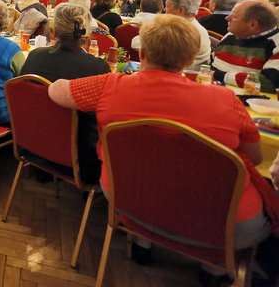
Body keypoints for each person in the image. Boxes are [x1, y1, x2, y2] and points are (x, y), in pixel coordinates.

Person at [48, 16, 270, 283]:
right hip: (226, 221)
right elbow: (254, 158)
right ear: (190, 61)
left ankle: (141, 241)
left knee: (147, 172)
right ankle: (215, 268)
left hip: (126, 197)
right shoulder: (226, 101)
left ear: (141, 53)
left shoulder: (109, 86)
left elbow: (56, 91)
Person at [20, 4, 110, 183]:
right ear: (87, 33)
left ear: (54, 32)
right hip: (78, 159)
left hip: (32, 146)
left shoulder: (34, 55)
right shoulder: (97, 67)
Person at [212, 0, 279, 93]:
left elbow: (269, 83)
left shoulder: (275, 45)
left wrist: (219, 75)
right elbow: (210, 63)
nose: (227, 18)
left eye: (234, 16)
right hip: (215, 91)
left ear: (253, 24)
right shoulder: (231, 35)